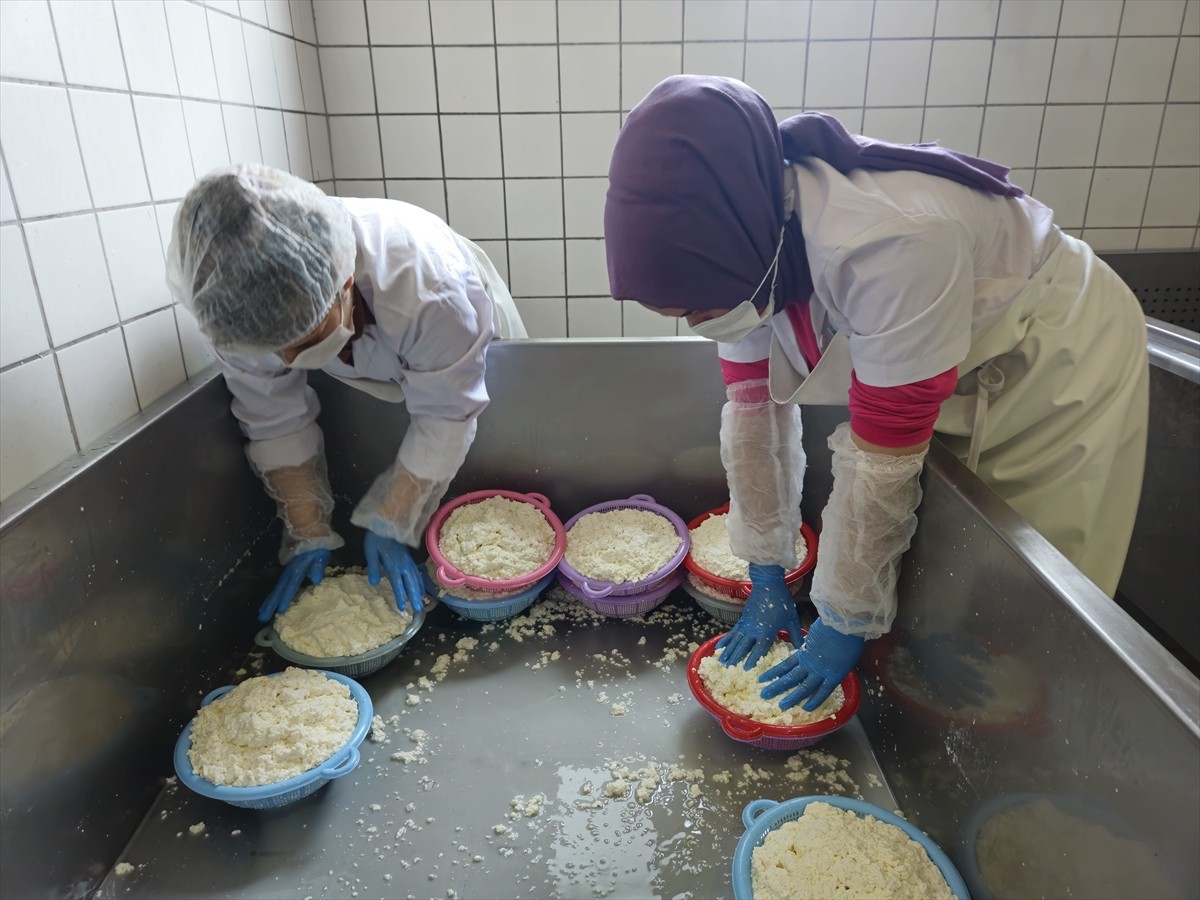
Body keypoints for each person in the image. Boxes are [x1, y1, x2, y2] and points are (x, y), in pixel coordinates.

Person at [604, 76, 1148, 712]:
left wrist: (843, 620)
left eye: (697, 307)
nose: (698, 323)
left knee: (1033, 561)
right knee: (941, 539)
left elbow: (882, 460)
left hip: (1051, 355)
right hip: (952, 358)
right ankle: (940, 632)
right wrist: (765, 567)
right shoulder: (743, 250)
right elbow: (754, 419)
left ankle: (1045, 711)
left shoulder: (887, 242)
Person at [167, 164, 526, 621]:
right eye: (274, 348)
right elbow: (273, 418)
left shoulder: (427, 286)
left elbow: (447, 414)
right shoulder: (236, 312)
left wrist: (394, 520)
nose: (289, 360)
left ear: (345, 283)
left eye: (306, 338)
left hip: (466, 351)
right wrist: (307, 532)